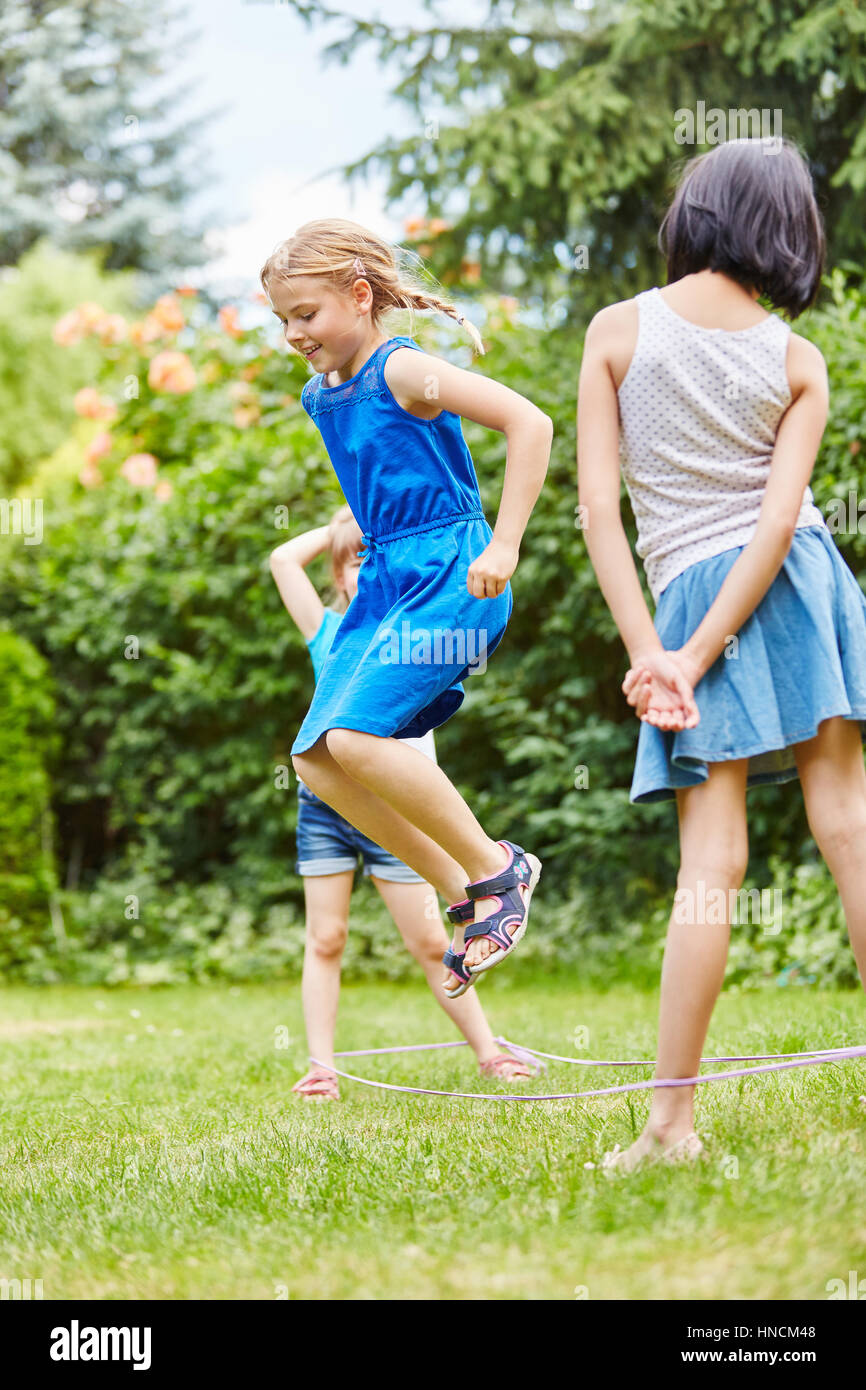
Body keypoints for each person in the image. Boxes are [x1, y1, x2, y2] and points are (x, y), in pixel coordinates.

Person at [577, 137, 866, 1170]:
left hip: (696, 593)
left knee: (711, 863)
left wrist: (659, 650)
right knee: (849, 824)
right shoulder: (796, 359)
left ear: (691, 213)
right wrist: (684, 654)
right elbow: (782, 521)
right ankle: (665, 1121)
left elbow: (598, 513)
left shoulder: (616, 330)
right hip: (803, 584)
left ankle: (668, 1125)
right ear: (788, 229)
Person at [260, 218, 552, 1001]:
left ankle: (500, 868)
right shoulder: (322, 395)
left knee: (356, 738)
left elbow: (531, 422)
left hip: (452, 575)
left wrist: (506, 545)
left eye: (305, 314)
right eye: (281, 319)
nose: (292, 333)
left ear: (359, 296)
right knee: (316, 759)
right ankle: (466, 893)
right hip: (387, 581)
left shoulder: (406, 370)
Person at [270, 504, 536, 1098]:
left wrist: (387, 539)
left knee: (426, 938)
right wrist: (352, 527)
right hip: (327, 809)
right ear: (339, 575)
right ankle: (320, 1068)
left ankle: (490, 1053)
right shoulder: (329, 630)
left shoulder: (416, 628)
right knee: (326, 936)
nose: (366, 569)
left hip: (398, 815)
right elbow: (282, 558)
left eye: (378, 557)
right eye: (356, 561)